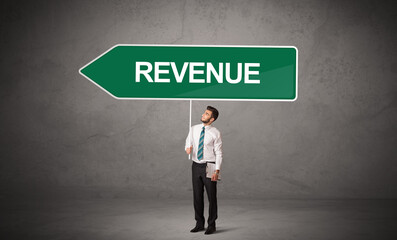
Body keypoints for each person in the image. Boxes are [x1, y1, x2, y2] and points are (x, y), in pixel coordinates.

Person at [185, 106, 223, 235]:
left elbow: (219, 153)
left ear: (212, 119)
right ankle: (199, 223)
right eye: (204, 112)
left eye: (206, 114)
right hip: (196, 165)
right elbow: (188, 142)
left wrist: (217, 170)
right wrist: (187, 148)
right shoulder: (194, 129)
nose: (203, 114)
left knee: (212, 196)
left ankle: (211, 225)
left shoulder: (215, 133)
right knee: (197, 196)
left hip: (210, 165)